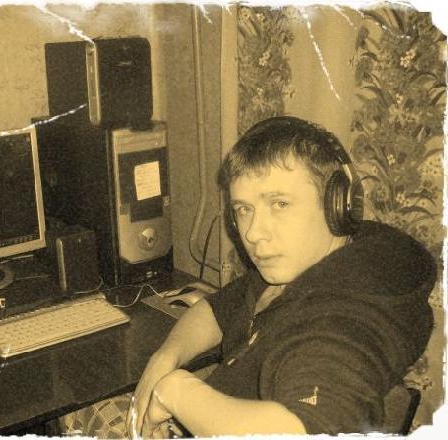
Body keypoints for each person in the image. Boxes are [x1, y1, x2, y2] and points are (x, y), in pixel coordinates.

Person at [127, 116, 435, 437]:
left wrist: (177, 391)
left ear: (339, 206)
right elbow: (217, 309)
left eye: (280, 203)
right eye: (244, 209)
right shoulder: (298, 264)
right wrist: (165, 358)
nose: (253, 233)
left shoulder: (344, 319)